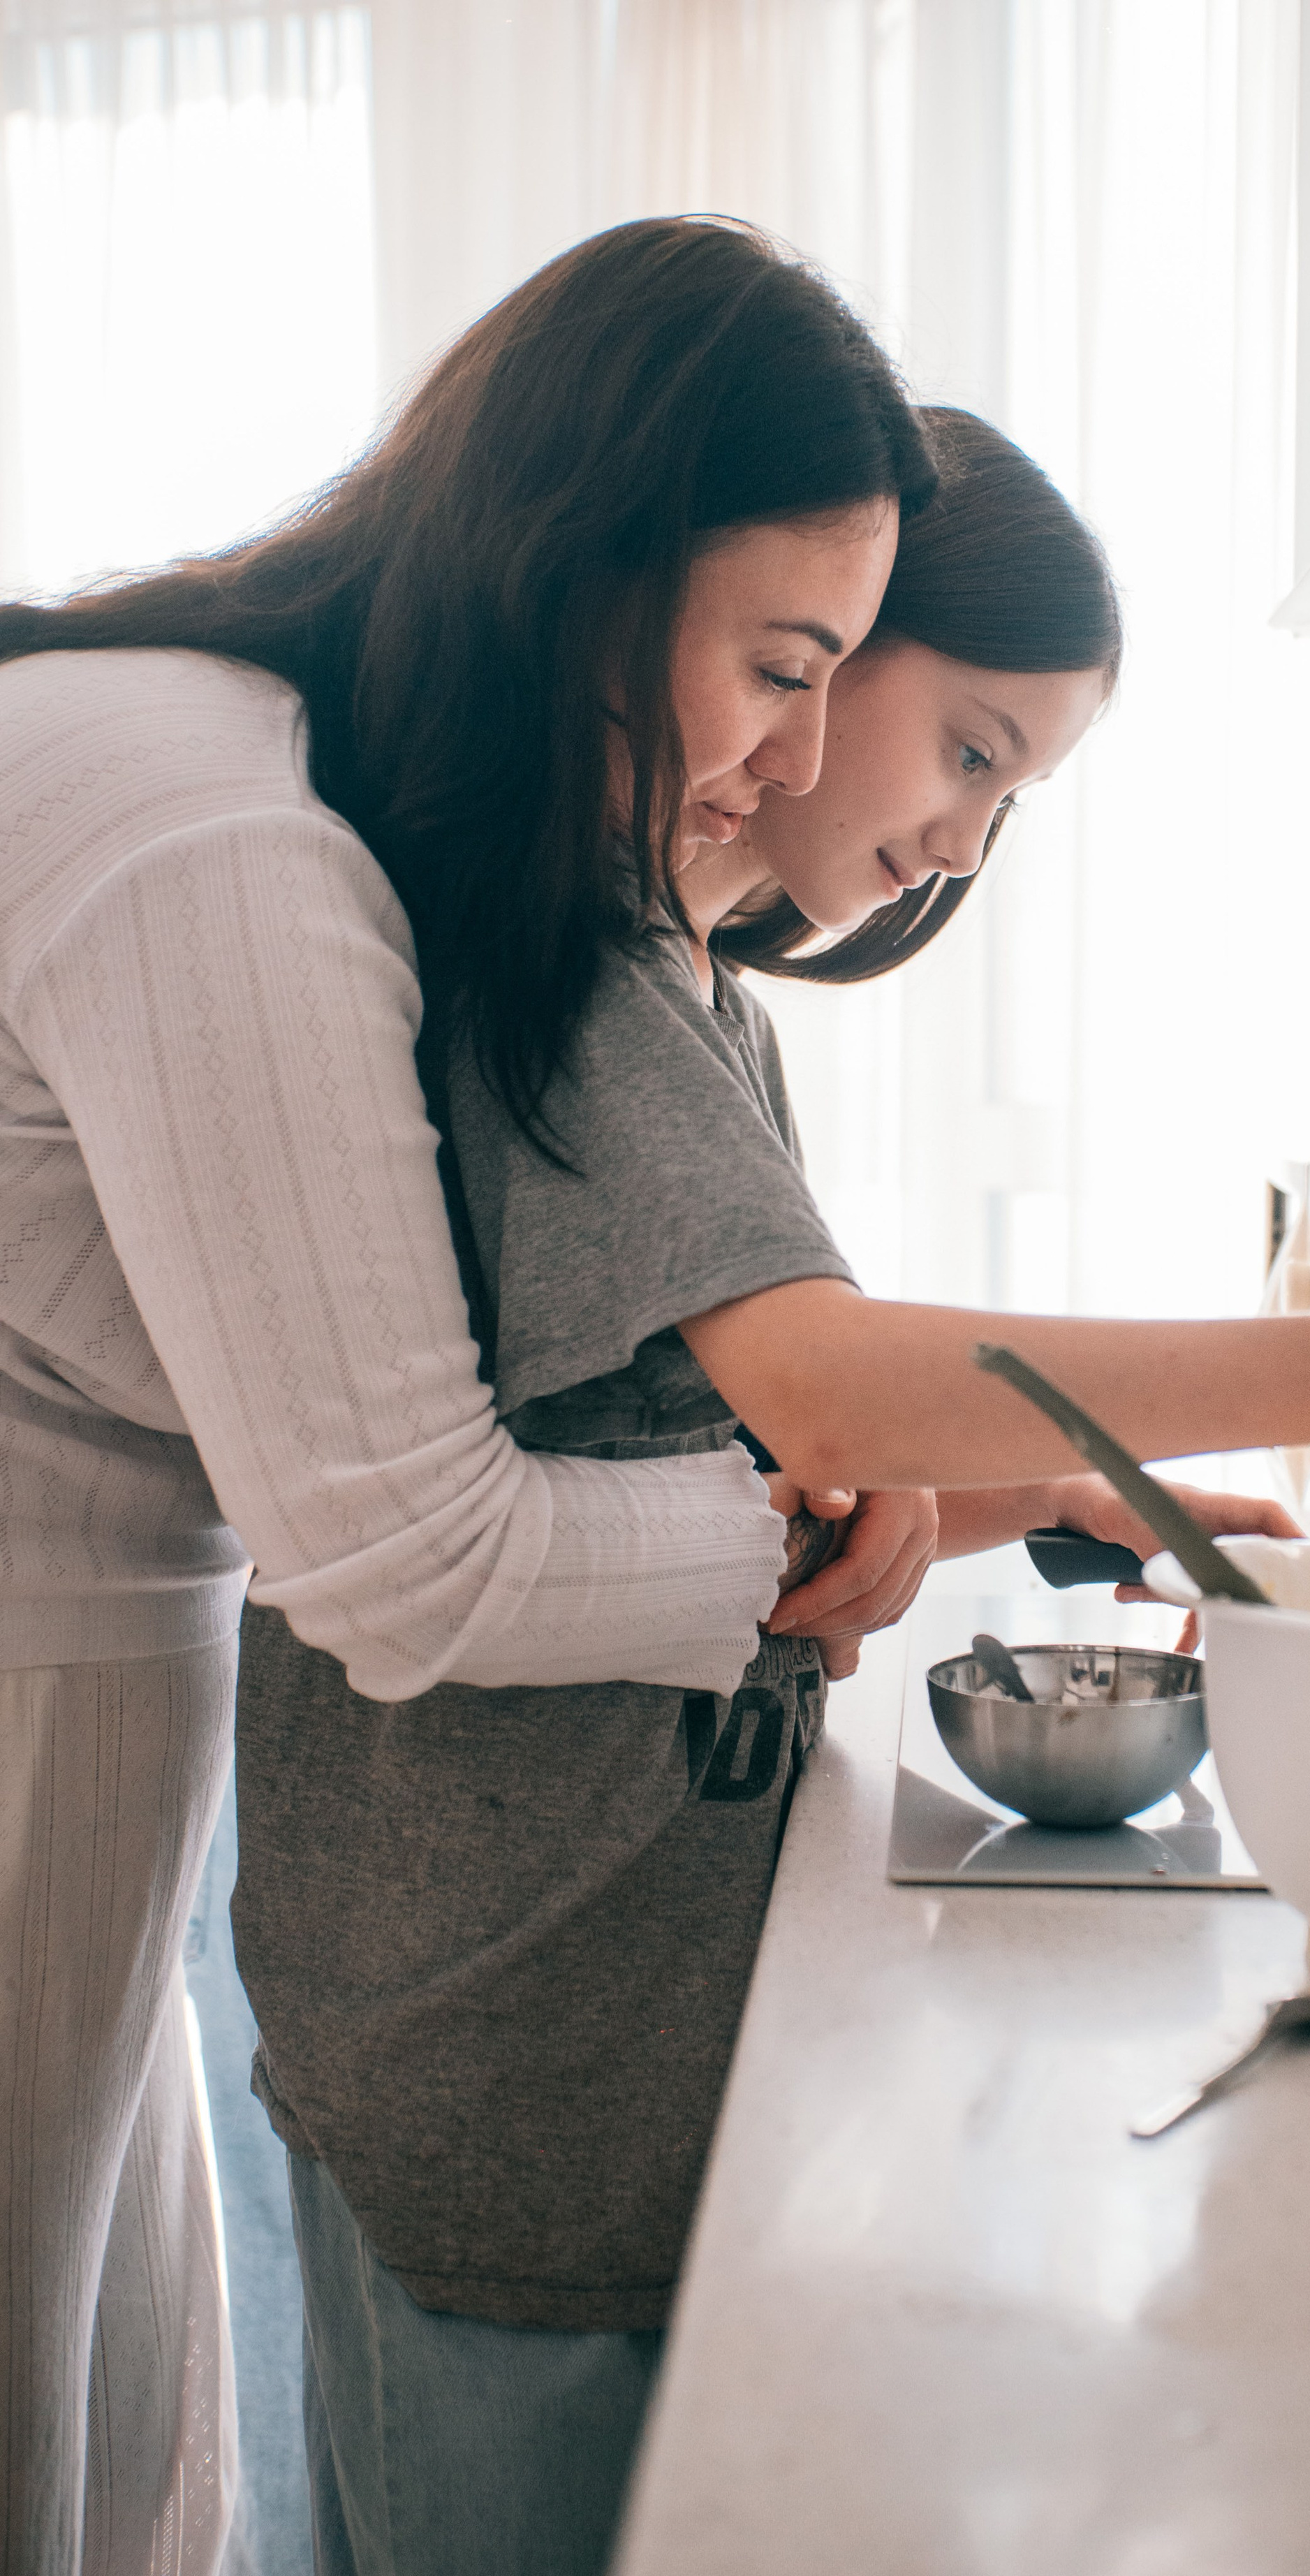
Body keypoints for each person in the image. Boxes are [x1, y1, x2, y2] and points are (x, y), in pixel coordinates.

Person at [229, 400, 1310, 2576]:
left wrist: (1057, 1493)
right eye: (968, 748)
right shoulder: (584, 961)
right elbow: (824, 1392)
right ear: (815, 645)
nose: (967, 841)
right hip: (504, 2037)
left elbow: (723, 1468)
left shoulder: (700, 994)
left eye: (1015, 794)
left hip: (583, 2020)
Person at [0, 216, 936, 2576]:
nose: (803, 761)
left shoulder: (302, 787)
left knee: (108, 2445)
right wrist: (797, 1521)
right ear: (589, 560)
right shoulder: (231, 836)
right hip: (32, 1691)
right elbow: (420, 1555)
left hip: (100, 1672)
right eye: (783, 666)